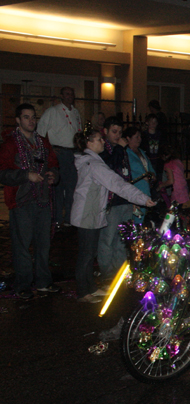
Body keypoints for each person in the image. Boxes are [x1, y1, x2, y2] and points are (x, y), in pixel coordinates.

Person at [71, 130, 155, 303]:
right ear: (89, 143)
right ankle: (82, 292)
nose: (103, 141)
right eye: (99, 139)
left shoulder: (93, 161)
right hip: (88, 213)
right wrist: (142, 198)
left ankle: (90, 288)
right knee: (86, 255)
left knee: (89, 253)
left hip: (92, 213)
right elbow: (116, 183)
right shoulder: (93, 164)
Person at [0, 103, 60, 299]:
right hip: (22, 202)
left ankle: (43, 281)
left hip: (43, 200)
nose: (31, 121)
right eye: (26, 117)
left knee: (43, 245)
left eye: (33, 117)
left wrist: (53, 174)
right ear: (18, 120)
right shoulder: (10, 144)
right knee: (22, 246)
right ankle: (23, 284)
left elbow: (53, 164)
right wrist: (26, 175)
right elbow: (3, 174)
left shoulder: (43, 143)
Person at [36, 87, 81, 227]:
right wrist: (49, 149)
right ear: (61, 96)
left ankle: (69, 218)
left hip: (73, 153)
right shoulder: (52, 111)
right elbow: (40, 132)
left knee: (72, 187)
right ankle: (57, 219)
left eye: (71, 93)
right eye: (67, 94)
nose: (69, 96)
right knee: (58, 187)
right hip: (59, 154)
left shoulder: (76, 112)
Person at [97, 117, 132, 283]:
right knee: (108, 238)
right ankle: (107, 271)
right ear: (106, 131)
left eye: (120, 132)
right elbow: (111, 167)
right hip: (111, 201)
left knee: (122, 238)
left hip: (124, 199)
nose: (117, 135)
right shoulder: (105, 149)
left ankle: (120, 271)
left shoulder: (121, 149)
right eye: (114, 131)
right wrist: (119, 148)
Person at [123, 126, 155, 223]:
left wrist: (152, 176)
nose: (139, 139)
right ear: (128, 138)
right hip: (135, 190)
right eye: (136, 137)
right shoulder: (126, 153)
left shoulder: (141, 152)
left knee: (141, 220)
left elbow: (149, 167)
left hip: (145, 190)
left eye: (140, 137)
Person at [142, 113, 164, 182]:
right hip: (149, 160)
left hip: (158, 161)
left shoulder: (160, 135)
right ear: (147, 123)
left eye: (155, 122)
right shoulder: (144, 135)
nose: (153, 124)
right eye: (151, 122)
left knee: (158, 179)